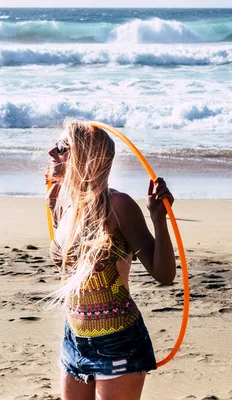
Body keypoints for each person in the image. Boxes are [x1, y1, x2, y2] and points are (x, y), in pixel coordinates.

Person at [46, 121, 176, 400]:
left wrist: (158, 219)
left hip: (118, 343)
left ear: (83, 155)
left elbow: (164, 274)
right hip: (74, 339)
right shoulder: (62, 202)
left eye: (60, 148)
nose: (50, 153)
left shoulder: (118, 206)